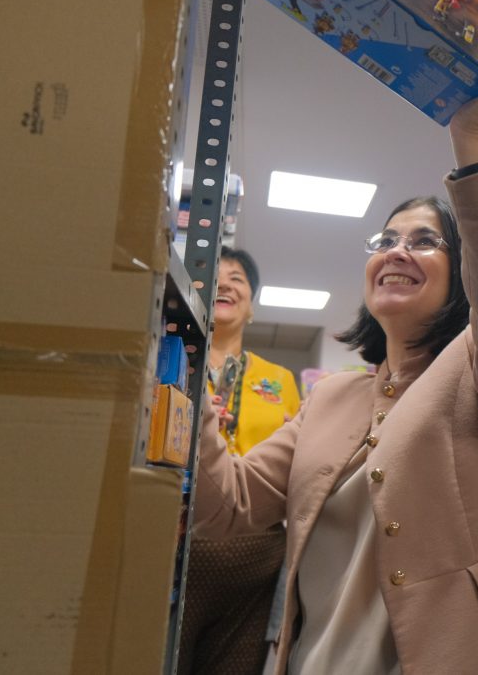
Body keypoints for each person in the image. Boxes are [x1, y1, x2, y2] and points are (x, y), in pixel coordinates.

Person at [191, 4, 478, 674]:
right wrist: (181, 357)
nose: (398, 252)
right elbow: (226, 506)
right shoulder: (328, 399)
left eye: (425, 241)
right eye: (387, 240)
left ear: (464, 277)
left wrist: (474, 136)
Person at [178, 247, 301, 674]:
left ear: (251, 304)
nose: (226, 283)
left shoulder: (280, 379)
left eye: (239, 279)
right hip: (180, 538)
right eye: (217, 276)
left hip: (257, 555)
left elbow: (294, 460)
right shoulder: (178, 361)